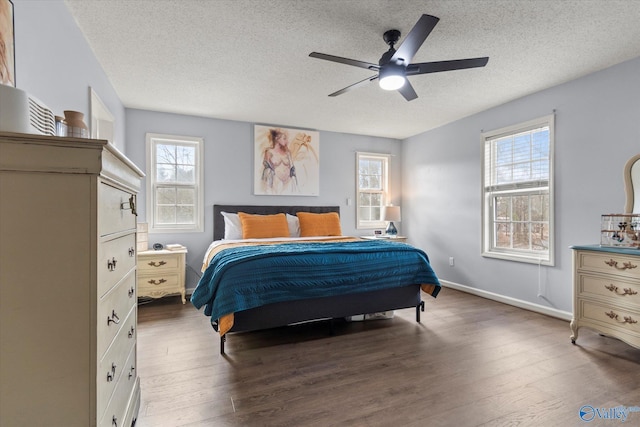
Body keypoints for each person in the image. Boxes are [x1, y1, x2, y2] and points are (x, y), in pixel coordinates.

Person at [262, 128, 298, 194]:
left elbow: (292, 168)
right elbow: (266, 170)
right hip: (275, 183)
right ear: (277, 138)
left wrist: (293, 181)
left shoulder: (287, 153)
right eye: (284, 138)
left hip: (288, 183)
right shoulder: (269, 152)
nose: (287, 141)